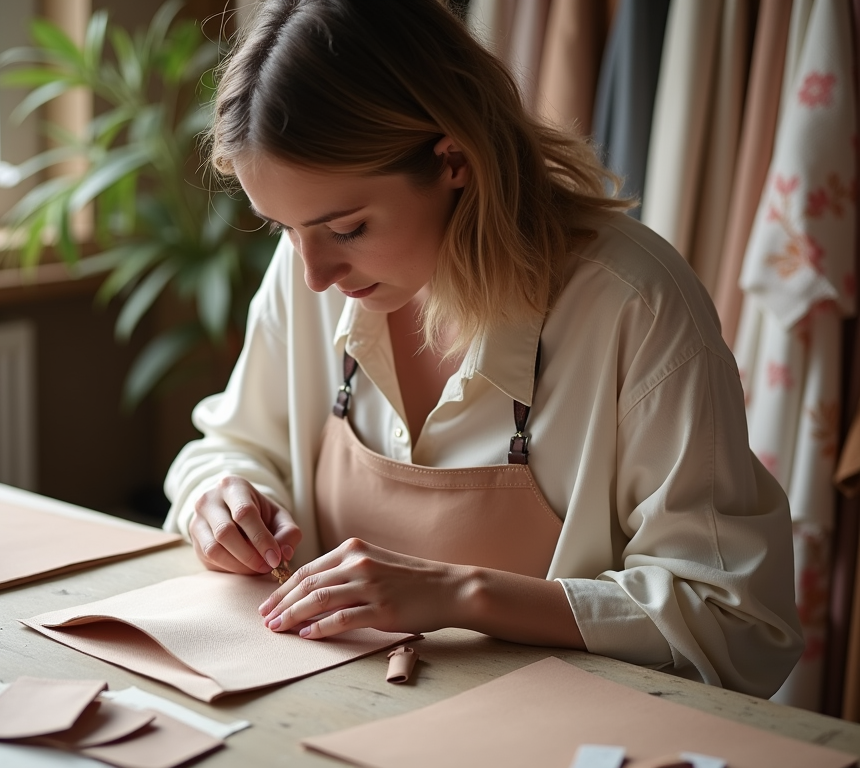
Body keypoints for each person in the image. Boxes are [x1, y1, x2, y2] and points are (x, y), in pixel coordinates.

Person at [163, 0, 803, 697]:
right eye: (282, 228)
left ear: (454, 160)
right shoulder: (309, 271)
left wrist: (461, 594)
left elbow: (735, 618)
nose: (315, 274)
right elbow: (232, 445)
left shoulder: (636, 308)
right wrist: (219, 499)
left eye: (346, 228)